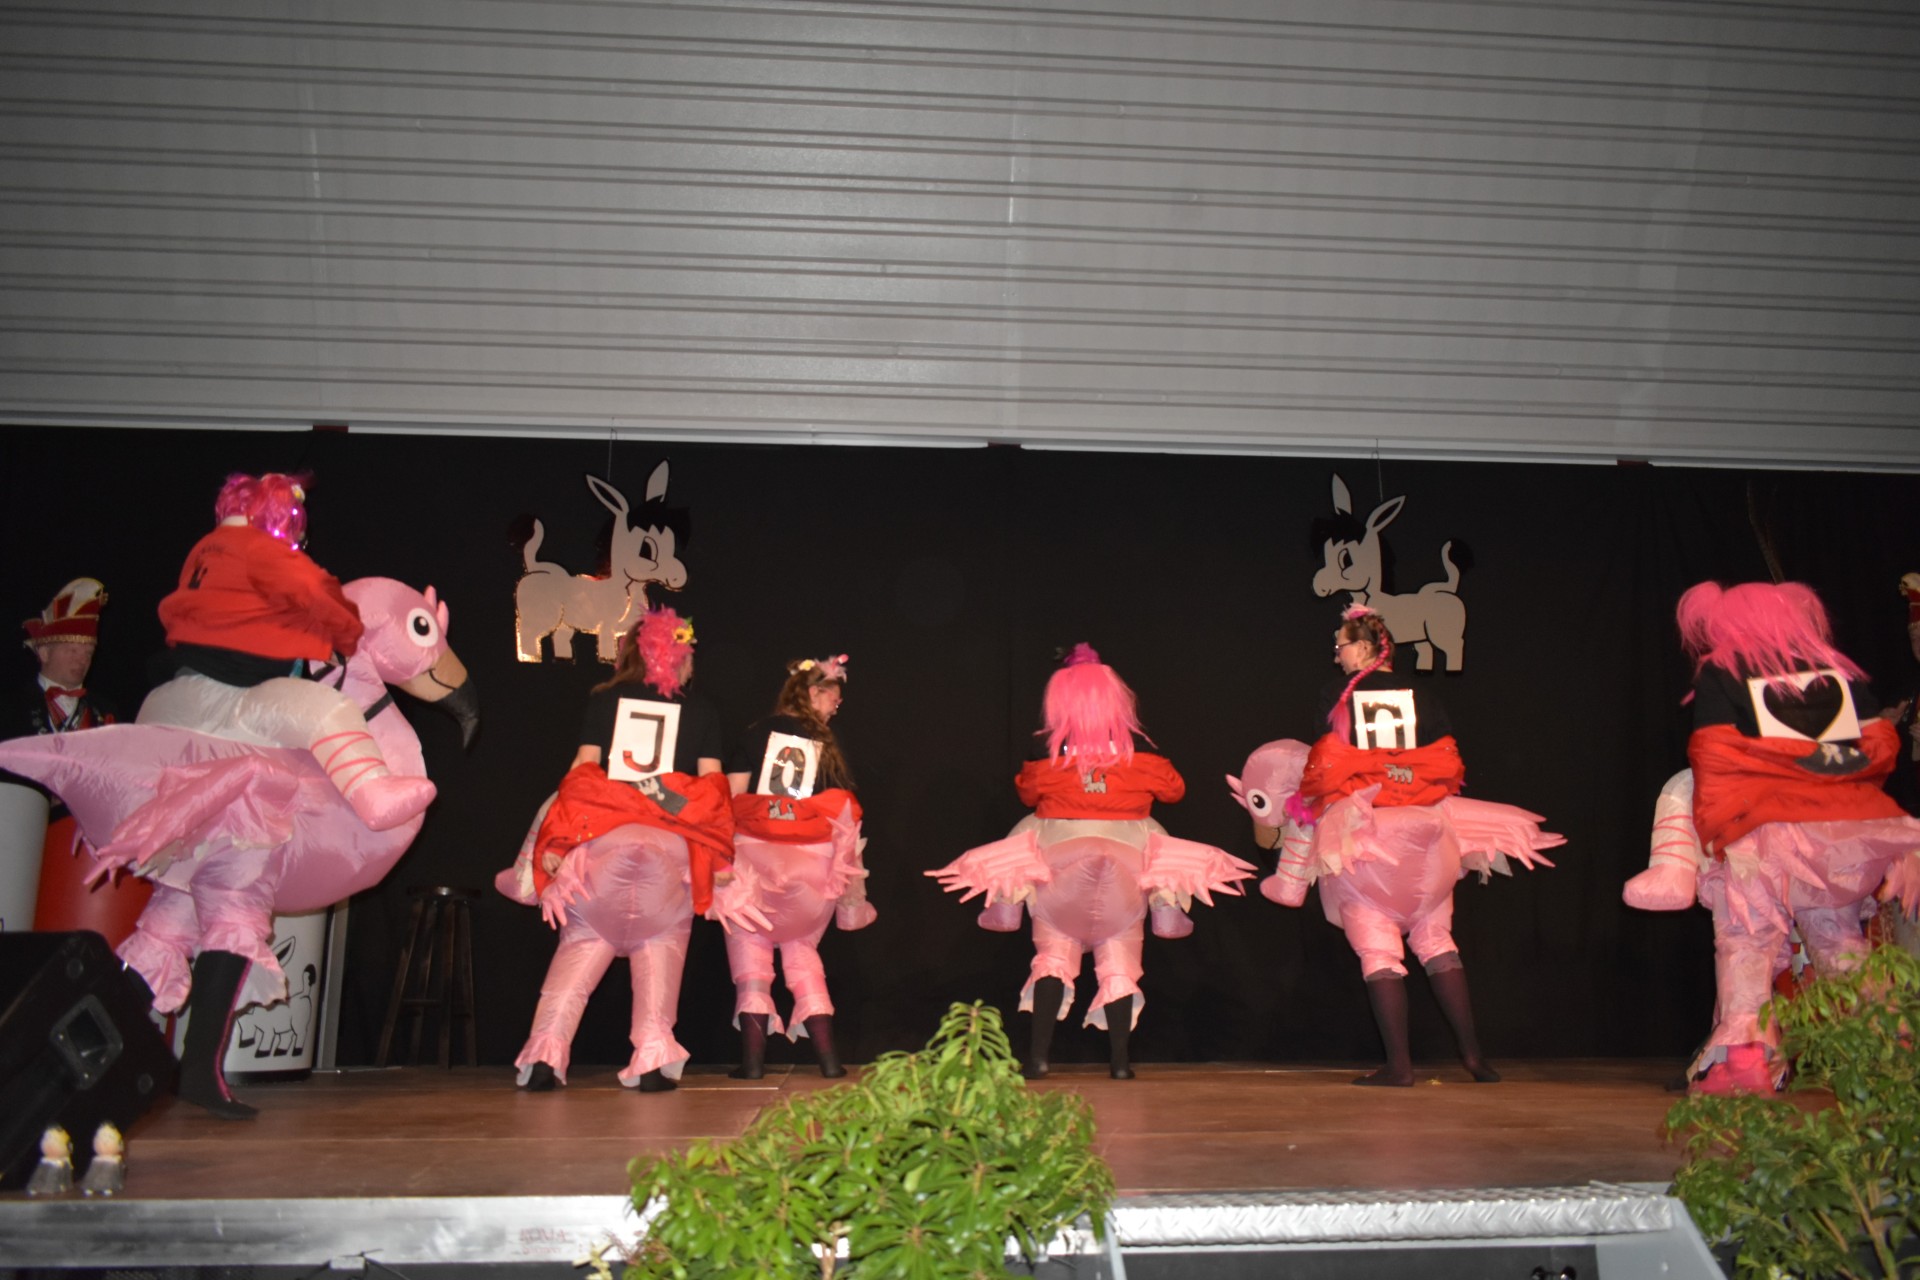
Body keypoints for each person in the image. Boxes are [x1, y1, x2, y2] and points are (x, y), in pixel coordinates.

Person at [931, 644, 1253, 1080]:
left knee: (1048, 937)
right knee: (1129, 930)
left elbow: (1027, 793)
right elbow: (1174, 791)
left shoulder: (1047, 755)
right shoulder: (1141, 755)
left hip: (1060, 868)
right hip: (1125, 869)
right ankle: (1123, 1053)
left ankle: (1009, 913)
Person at [1677, 580, 1920, 1093]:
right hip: (1839, 838)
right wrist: (1824, 762)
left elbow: (1714, 754)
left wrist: (1772, 767)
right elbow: (1877, 747)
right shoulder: (1836, 673)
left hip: (1762, 833)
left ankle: (1746, 1062)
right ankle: (1887, 1050)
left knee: (1747, 941)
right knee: (1839, 939)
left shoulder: (1724, 671)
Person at [502, 606, 732, 1092]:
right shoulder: (704, 710)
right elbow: (714, 792)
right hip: (669, 853)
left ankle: (544, 1055)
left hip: (604, 843)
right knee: (663, 949)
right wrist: (718, 856)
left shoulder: (605, 700)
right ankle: (651, 1060)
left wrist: (559, 839)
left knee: (580, 950)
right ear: (680, 656)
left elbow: (580, 775)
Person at [137, 473, 433, 832]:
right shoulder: (259, 547)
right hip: (235, 685)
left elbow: (239, 609)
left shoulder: (204, 550)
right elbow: (315, 589)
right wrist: (345, 633)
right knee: (328, 710)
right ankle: (371, 789)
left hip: (176, 690)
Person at [1300, 606, 1511, 1086]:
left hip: (1369, 829)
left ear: (1364, 648)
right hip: (1427, 829)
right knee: (1438, 942)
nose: (1336, 656)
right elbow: (1448, 760)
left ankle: (1399, 1065)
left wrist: (1366, 773)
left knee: (1378, 950)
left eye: (1341, 647)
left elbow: (1323, 764)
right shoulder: (1423, 694)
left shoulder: (1337, 694)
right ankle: (1473, 1057)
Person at [717, 654, 874, 1079]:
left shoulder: (755, 733)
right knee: (803, 957)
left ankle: (752, 1064)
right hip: (812, 871)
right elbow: (846, 821)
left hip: (756, 864)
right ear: (814, 693)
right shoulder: (828, 745)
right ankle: (829, 1062)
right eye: (834, 699)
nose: (836, 708)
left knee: (751, 961)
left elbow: (728, 801)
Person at [2, 579, 138, 936]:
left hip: (77, 859)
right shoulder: (10, 708)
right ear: (44, 652)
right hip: (17, 846)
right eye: (71, 649)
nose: (82, 659)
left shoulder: (107, 713)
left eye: (88, 651)